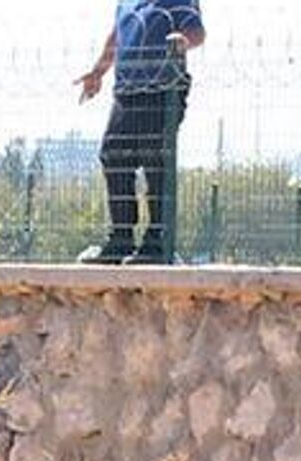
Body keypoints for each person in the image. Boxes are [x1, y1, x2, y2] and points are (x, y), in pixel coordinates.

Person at [75, 0, 206, 265]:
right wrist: (98, 72)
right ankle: (120, 240)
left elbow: (197, 31)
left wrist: (183, 40)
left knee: (155, 161)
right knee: (113, 156)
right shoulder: (127, 3)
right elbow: (116, 36)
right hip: (126, 91)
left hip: (162, 90)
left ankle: (158, 242)